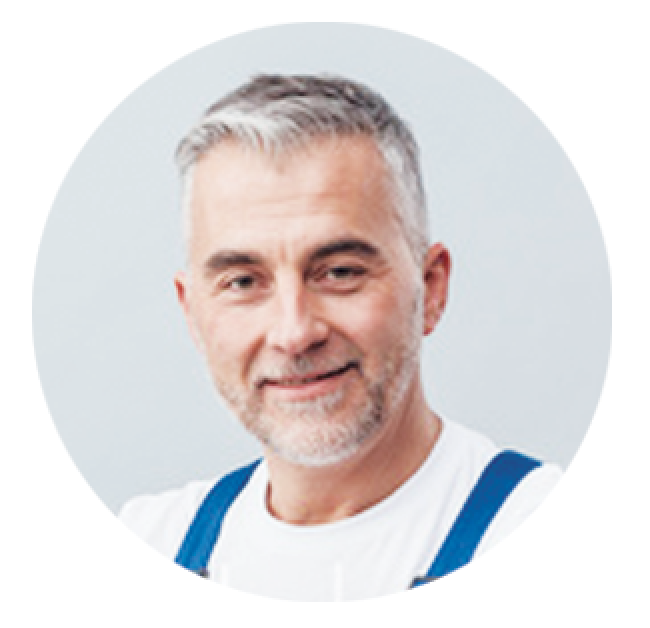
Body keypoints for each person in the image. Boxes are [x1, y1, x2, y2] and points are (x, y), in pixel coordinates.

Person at [119, 74, 562, 601]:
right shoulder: (150, 544)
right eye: (242, 282)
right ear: (192, 313)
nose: (294, 333)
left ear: (431, 288)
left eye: (340, 272)